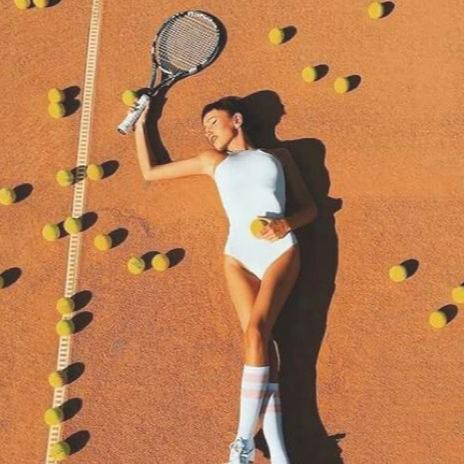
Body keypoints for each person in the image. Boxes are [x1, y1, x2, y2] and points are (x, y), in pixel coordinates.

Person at [133, 95, 318, 463]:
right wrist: (141, 124)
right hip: (237, 258)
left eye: (213, 123)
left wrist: (285, 224)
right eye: (204, 128)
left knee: (257, 333)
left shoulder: (280, 156)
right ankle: (280, 455)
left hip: (279, 250)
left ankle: (242, 442)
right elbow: (150, 172)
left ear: (237, 120)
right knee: (259, 343)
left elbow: (310, 209)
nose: (208, 132)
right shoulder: (212, 161)